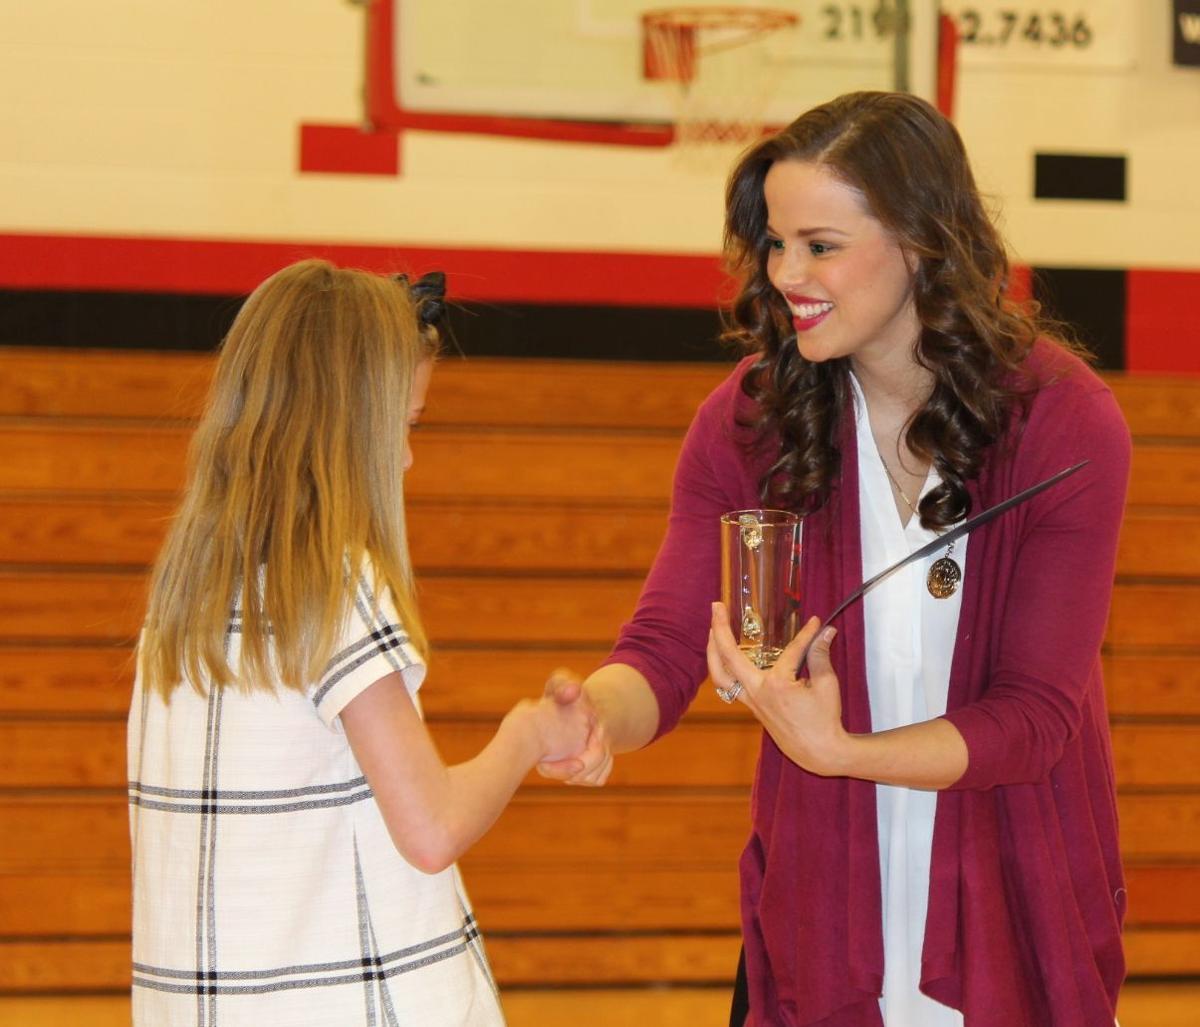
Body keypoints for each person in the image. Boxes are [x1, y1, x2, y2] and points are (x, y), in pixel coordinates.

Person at [539, 91, 1130, 1026]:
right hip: (823, 904)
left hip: (1013, 894)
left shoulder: (1062, 418)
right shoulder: (749, 420)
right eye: (776, 244)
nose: (786, 274)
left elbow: (1034, 719)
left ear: (921, 242)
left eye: (821, 245)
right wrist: (595, 718)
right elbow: (663, 646)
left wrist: (843, 752)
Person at [128, 259, 591, 1026]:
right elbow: (432, 827)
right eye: (403, 426)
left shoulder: (183, 602)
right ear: (346, 427)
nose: (406, 456)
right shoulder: (334, 586)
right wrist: (529, 732)